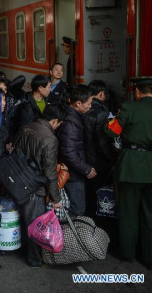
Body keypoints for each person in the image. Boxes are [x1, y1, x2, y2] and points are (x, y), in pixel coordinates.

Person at [104, 79, 152, 271]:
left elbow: (111, 131)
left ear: (137, 92)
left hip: (130, 167)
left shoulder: (129, 108)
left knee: (128, 213)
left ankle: (128, 255)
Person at [14, 104, 65, 267]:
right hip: (35, 186)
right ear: (54, 120)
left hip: (18, 180)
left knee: (24, 218)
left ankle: (24, 251)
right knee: (35, 223)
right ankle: (35, 259)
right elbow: (50, 172)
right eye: (59, 124)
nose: (58, 127)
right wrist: (56, 198)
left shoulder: (26, 128)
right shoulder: (50, 139)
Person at [58, 85, 96, 216]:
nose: (90, 106)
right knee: (77, 209)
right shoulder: (71, 123)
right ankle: (74, 235)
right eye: (88, 103)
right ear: (78, 103)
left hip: (75, 169)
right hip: (73, 172)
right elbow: (69, 152)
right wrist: (85, 168)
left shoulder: (74, 116)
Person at [83, 80, 116, 216]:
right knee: (99, 199)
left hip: (84, 161)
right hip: (98, 163)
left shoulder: (83, 108)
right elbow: (103, 143)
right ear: (102, 94)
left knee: (87, 197)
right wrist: (113, 159)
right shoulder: (101, 113)